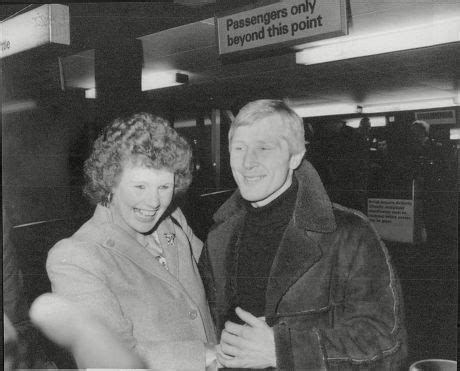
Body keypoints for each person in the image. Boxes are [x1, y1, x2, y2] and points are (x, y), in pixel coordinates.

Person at [203, 100, 407, 370]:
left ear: (295, 156)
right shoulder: (219, 238)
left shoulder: (349, 234)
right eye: (239, 148)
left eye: (264, 148)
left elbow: (386, 342)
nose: (248, 162)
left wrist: (284, 351)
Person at [46, 113, 217, 370]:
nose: (154, 202)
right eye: (140, 187)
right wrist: (211, 356)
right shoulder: (75, 257)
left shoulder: (173, 222)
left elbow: (220, 277)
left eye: (164, 187)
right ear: (110, 181)